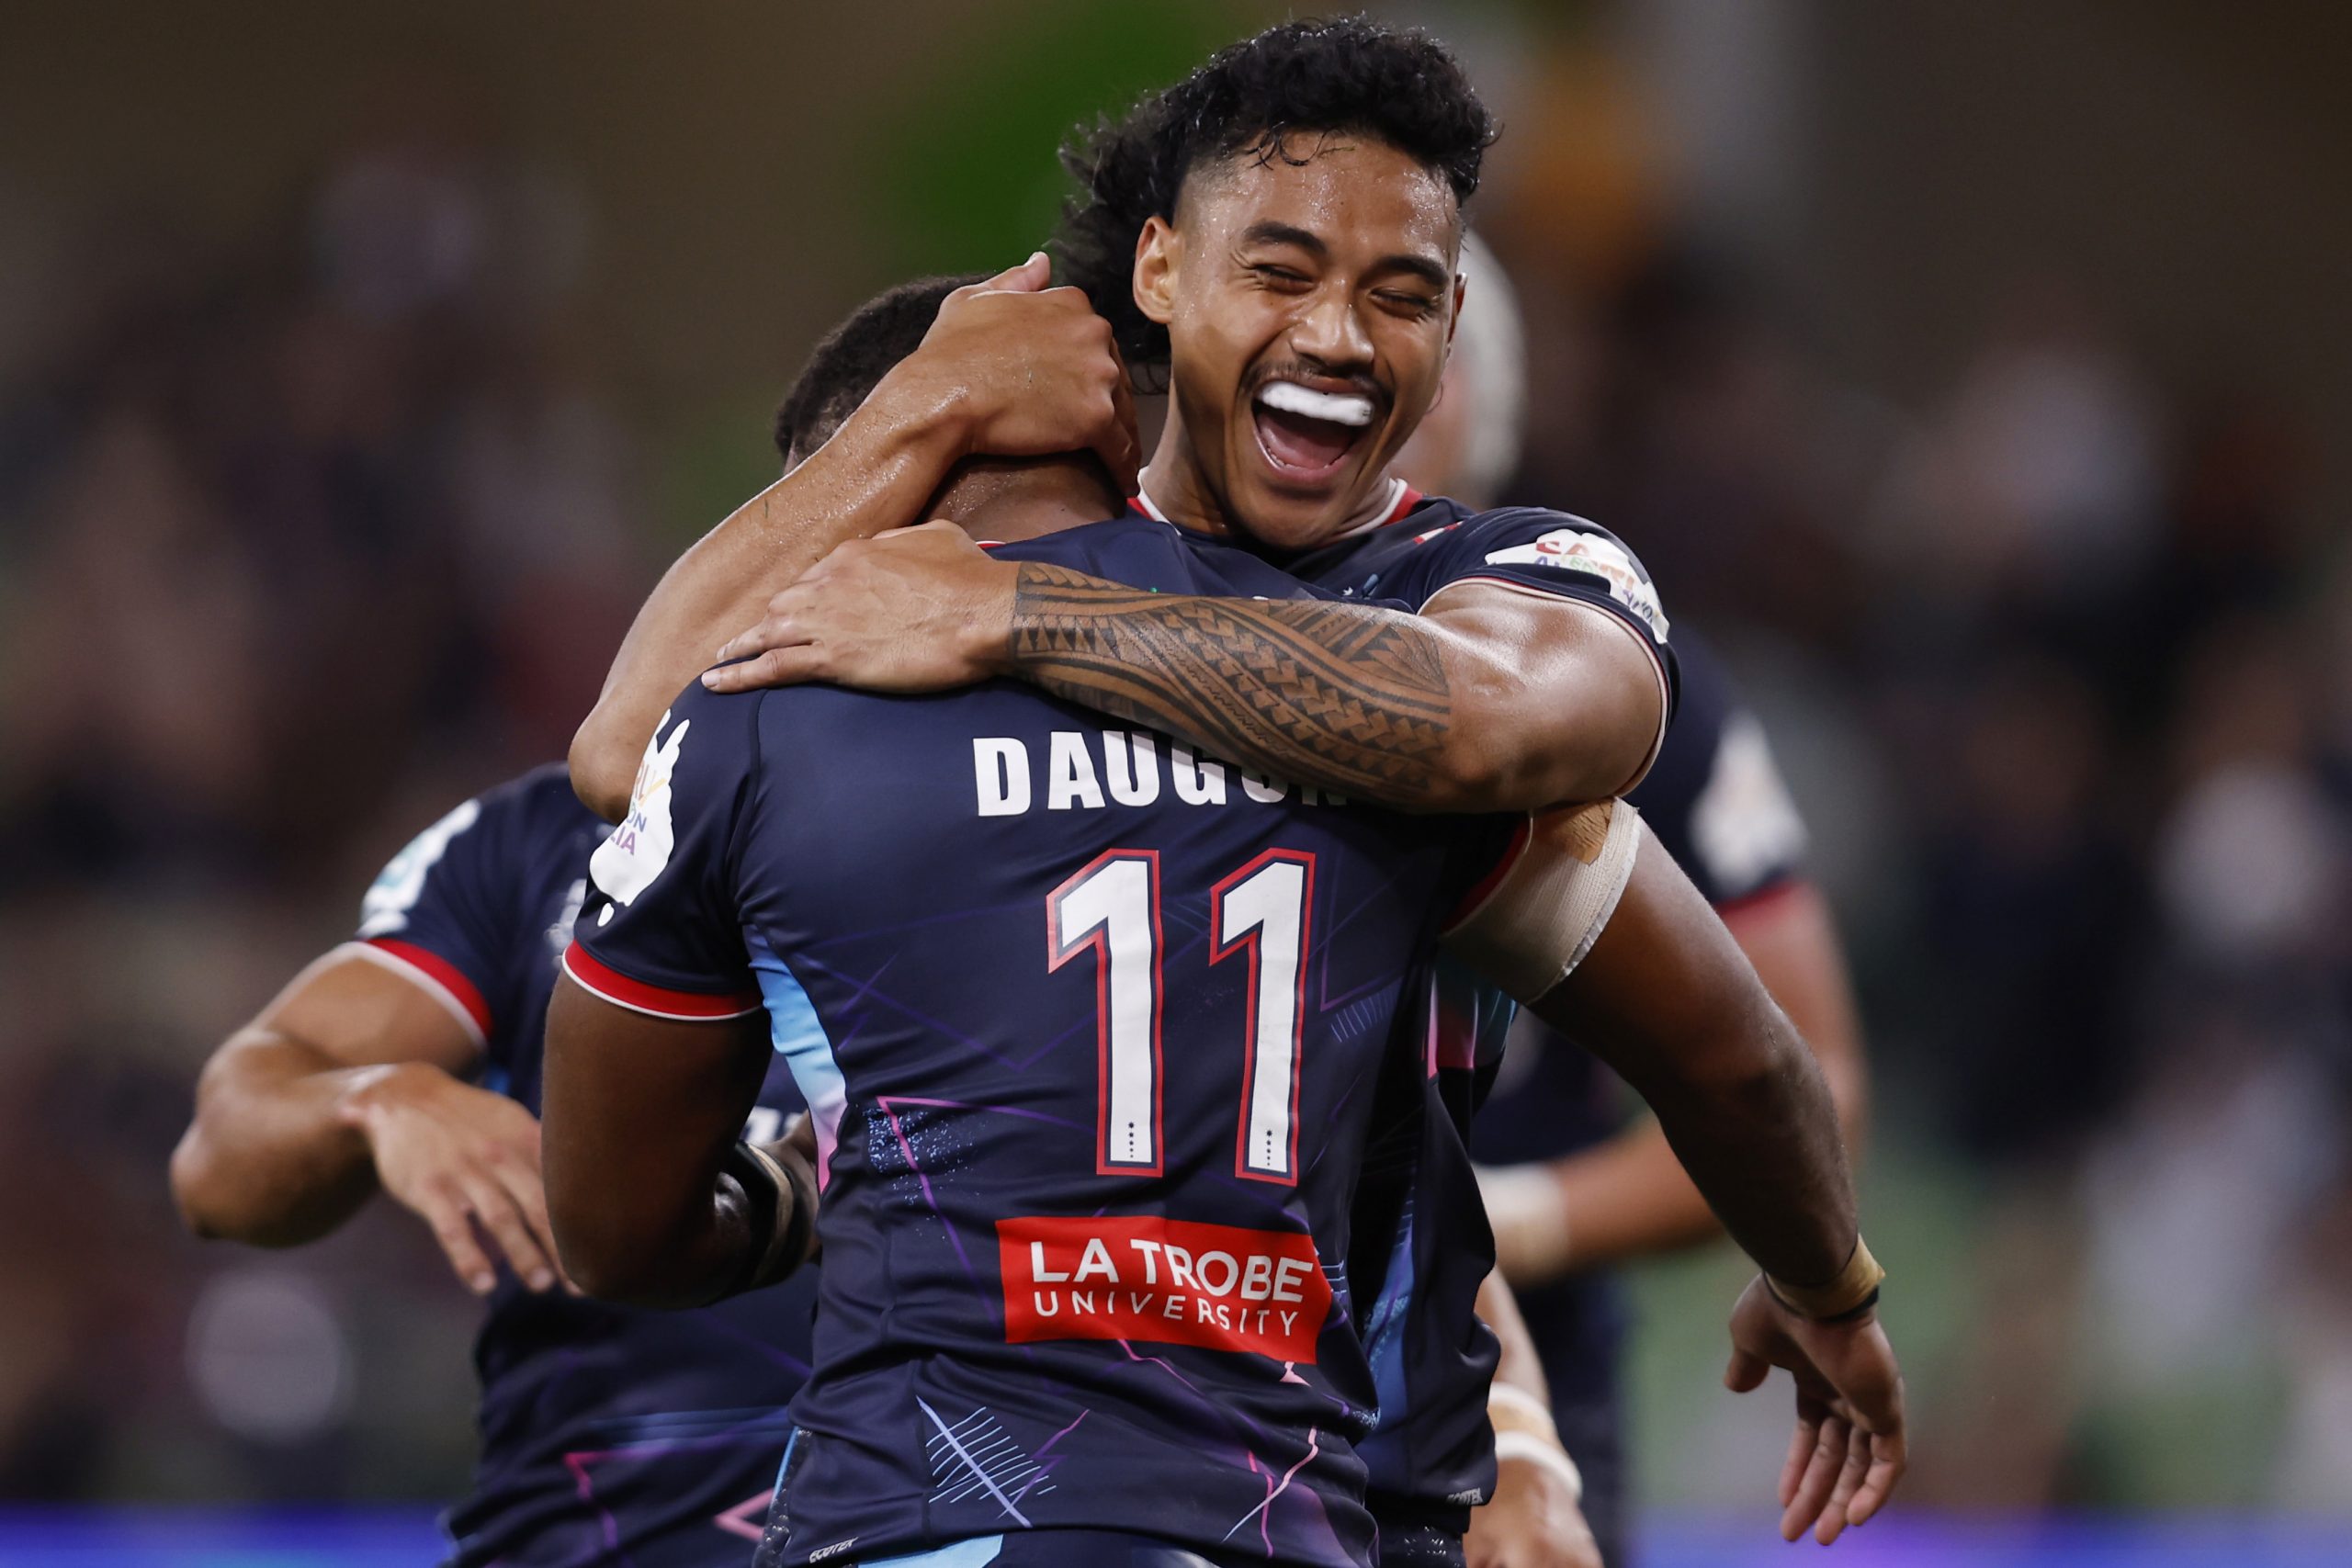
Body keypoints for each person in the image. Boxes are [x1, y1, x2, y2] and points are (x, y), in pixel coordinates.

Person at [674, 19, 1894, 1562]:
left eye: (1401, 298)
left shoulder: (1486, 590)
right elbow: (629, 755)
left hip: (1202, 1490)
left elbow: (1490, 735)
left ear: (1453, 339)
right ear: (1163, 272)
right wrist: (921, 411)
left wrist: (1020, 620)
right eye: (1285, 273)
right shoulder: (978, 558)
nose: (1338, 336)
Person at [1393, 236, 1872, 1566]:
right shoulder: (1195, 633)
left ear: (1496, 394)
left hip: (1526, 1347)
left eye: (1428, 338)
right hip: (1206, 1338)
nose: (1377, 376)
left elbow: (1803, 1076)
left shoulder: (1629, 676)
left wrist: (1511, 1213)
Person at [168, 765, 820, 1566]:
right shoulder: (536, 843)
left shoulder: (995, 814)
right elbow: (217, 1170)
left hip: (955, 1504)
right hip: (587, 1532)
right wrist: (379, 1095)